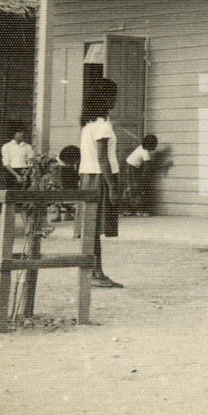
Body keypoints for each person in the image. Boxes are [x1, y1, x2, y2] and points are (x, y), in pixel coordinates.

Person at [79, 78, 123, 288]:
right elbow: (103, 159)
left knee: (92, 230)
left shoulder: (89, 124)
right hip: (101, 179)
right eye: (112, 95)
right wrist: (113, 187)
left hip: (89, 178)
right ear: (102, 98)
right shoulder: (102, 126)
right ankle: (96, 273)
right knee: (95, 229)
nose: (115, 99)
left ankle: (93, 271)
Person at [124, 135, 158, 216]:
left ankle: (128, 210)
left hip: (129, 166)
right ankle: (139, 210)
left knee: (131, 189)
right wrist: (143, 180)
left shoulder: (141, 148)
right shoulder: (145, 153)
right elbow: (147, 168)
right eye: (155, 144)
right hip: (132, 168)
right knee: (137, 189)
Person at [1, 121, 34, 189]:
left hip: (25, 172)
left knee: (25, 193)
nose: (22, 134)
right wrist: (17, 175)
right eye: (19, 132)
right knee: (12, 193)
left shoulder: (28, 147)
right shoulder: (6, 146)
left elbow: (30, 162)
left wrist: (26, 175)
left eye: (23, 132)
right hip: (12, 173)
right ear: (14, 134)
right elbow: (6, 163)